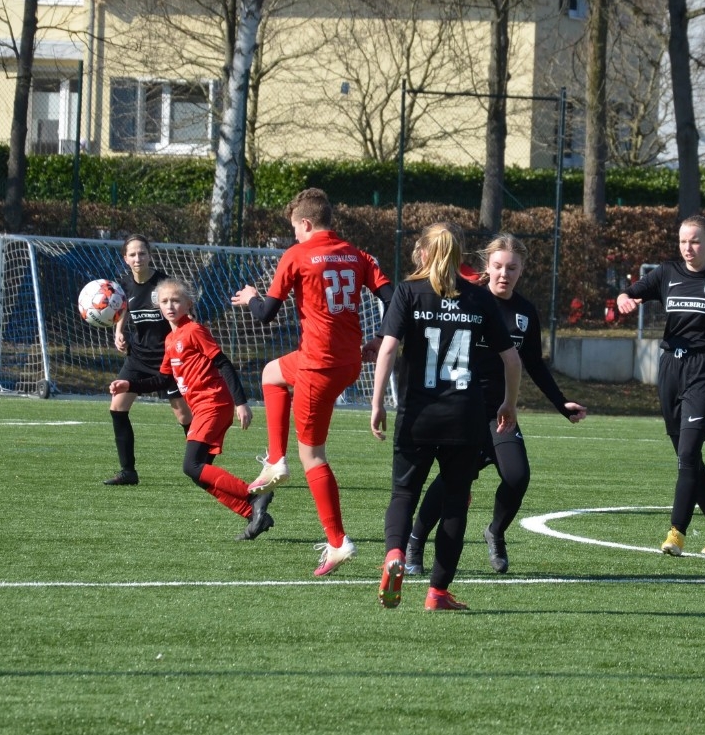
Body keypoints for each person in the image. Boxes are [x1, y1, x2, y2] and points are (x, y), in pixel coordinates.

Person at [231, 187, 394, 576]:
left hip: (317, 368)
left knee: (314, 457)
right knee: (272, 373)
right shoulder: (357, 255)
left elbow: (266, 314)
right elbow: (394, 298)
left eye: (295, 228)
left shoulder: (297, 254)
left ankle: (338, 542)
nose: (294, 235)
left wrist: (251, 297)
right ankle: (275, 460)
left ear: (305, 223)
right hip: (348, 362)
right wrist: (381, 337)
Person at [405, 234, 587, 576]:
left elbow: (534, 364)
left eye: (512, 268)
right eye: (498, 266)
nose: (505, 274)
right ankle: (415, 542)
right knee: (452, 482)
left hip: (501, 413)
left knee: (517, 477)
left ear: (522, 270)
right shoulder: (468, 301)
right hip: (463, 410)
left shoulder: (525, 312)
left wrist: (562, 403)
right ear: (487, 267)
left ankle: (495, 532)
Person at [371, 223, 520, 610]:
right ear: (459, 257)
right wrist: (509, 403)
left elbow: (387, 349)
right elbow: (511, 359)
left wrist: (377, 402)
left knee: (404, 493)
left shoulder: (408, 292)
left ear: (422, 253)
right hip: (464, 417)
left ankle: (394, 555)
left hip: (417, 414)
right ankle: (437, 592)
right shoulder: (478, 297)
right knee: (455, 502)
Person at [615, 215, 705, 557]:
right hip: (671, 367)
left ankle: (676, 533)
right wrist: (624, 298)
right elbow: (632, 292)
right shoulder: (667, 272)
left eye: (695, 241)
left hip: (704, 370)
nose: (688, 247)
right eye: (683, 241)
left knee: (688, 455)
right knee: (687, 458)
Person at [109, 280, 273, 535]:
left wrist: (241, 403)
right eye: (165, 302)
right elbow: (163, 379)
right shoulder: (170, 339)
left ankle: (253, 496)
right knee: (198, 472)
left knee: (191, 465)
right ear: (158, 307)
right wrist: (129, 384)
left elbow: (223, 363)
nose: (170, 306)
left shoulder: (194, 330)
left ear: (188, 304)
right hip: (204, 407)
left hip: (213, 403)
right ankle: (253, 514)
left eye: (176, 301)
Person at [105, 234, 190, 486]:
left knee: (183, 416)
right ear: (125, 258)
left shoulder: (163, 284)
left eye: (142, 253)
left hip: (166, 359)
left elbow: (181, 315)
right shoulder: (123, 286)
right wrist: (119, 332)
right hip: (138, 358)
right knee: (117, 407)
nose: (137, 258)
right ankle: (128, 472)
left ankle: (201, 466)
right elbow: (121, 309)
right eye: (132, 254)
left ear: (150, 255)